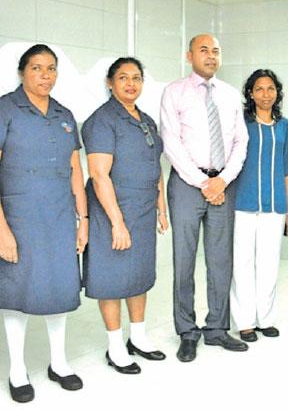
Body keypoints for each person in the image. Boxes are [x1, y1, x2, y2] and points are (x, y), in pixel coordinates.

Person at [0, 44, 88, 403]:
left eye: (51, 68)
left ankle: (59, 363)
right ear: (23, 72)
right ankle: (16, 369)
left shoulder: (65, 114)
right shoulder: (5, 108)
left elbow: (75, 170)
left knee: (59, 287)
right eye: (37, 68)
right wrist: (1, 229)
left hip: (58, 215)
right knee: (16, 291)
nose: (46, 75)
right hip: (19, 217)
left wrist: (82, 220)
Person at [160, 33, 249, 362]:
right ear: (189, 56)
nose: (210, 56)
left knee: (220, 260)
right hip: (187, 184)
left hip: (223, 183)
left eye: (215, 51)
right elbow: (171, 143)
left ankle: (216, 328)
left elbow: (241, 142)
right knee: (184, 260)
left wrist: (222, 180)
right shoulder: (174, 92)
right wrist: (203, 182)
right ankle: (186, 330)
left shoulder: (230, 95)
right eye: (204, 50)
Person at [82, 57, 168, 374]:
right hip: (111, 208)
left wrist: (161, 205)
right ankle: (116, 346)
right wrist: (117, 222)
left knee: (140, 274)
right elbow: (99, 174)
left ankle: (139, 337)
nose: (130, 83)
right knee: (112, 276)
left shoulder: (146, 119)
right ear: (110, 82)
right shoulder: (102, 121)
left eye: (136, 77)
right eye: (122, 77)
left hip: (144, 207)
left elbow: (154, 163)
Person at [231, 69, 288, 342]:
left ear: (277, 93)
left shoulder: (285, 126)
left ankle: (265, 319)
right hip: (243, 203)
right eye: (259, 89)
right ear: (250, 93)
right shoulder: (241, 124)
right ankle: (244, 322)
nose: (265, 94)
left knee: (268, 264)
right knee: (242, 264)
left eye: (270, 89)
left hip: (275, 205)